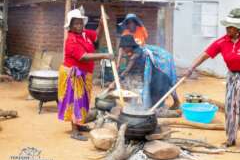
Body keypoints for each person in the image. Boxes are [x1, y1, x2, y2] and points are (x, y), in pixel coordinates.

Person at [185, 8, 240, 147]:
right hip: (233, 76)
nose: (227, 28)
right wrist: (191, 67)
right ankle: (231, 139)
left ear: (239, 28)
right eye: (227, 25)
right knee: (230, 107)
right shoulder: (221, 42)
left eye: (231, 26)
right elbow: (205, 55)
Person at [58, 8, 113, 141]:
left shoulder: (84, 33)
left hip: (85, 73)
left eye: (80, 23)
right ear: (70, 26)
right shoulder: (71, 39)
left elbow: (96, 38)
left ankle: (79, 123)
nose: (79, 26)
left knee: (83, 100)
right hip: (73, 74)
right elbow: (83, 57)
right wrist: (104, 55)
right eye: (75, 24)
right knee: (75, 100)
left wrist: (101, 24)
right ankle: (74, 131)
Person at [111, 35, 180, 110]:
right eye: (123, 48)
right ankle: (152, 102)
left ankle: (175, 101)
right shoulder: (128, 48)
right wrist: (118, 63)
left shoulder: (136, 54)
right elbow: (120, 48)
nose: (123, 50)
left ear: (130, 46)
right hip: (152, 64)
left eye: (125, 48)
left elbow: (127, 71)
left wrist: (115, 82)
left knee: (166, 80)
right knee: (151, 83)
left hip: (163, 60)